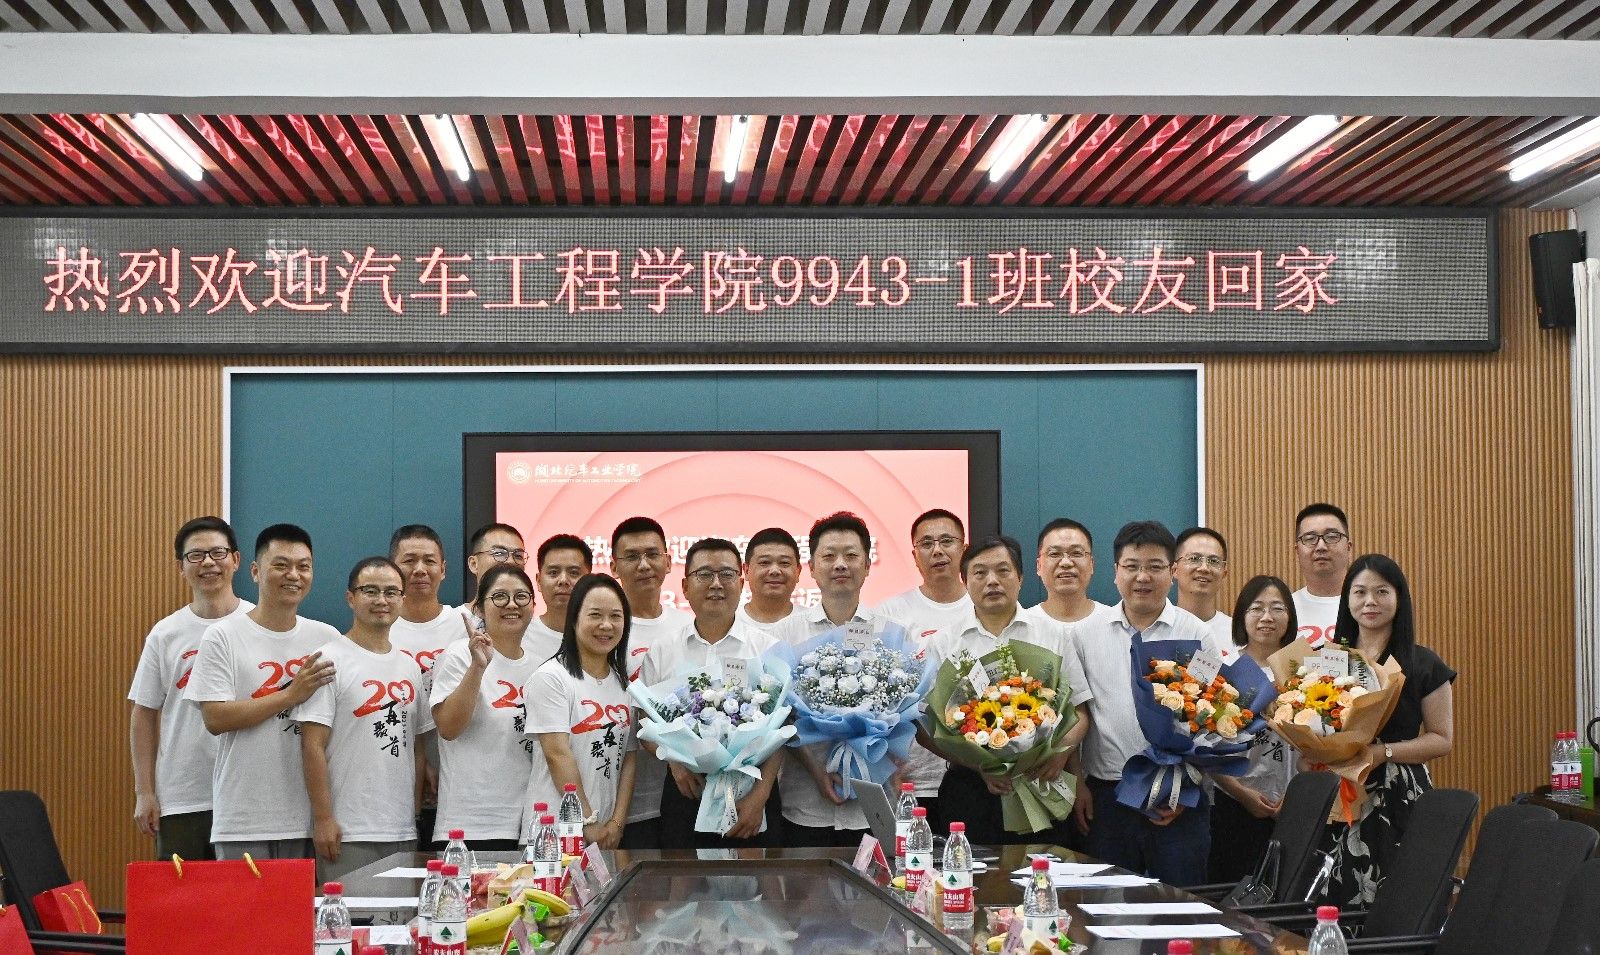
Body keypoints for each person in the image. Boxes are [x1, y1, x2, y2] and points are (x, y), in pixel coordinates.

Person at [1069, 520, 1214, 885]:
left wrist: (1186, 788)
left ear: (1173, 571)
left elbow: (1214, 717)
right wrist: (1078, 784)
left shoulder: (1197, 634)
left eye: (1154, 566)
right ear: (1115, 571)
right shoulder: (1084, 635)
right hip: (1108, 797)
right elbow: (1075, 714)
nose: (1142, 577)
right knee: (1104, 904)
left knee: (1182, 905)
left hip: (1180, 795)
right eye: (1132, 566)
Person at [921, 534, 1091, 845]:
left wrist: (1060, 755)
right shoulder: (944, 642)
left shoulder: (1052, 635)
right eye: (980, 573)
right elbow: (926, 728)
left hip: (1041, 781)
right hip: (971, 787)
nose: (992, 581)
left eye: (1003, 571)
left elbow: (1079, 712)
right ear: (965, 581)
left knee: (1042, 869)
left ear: (1021, 578)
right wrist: (979, 765)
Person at [184, 523, 339, 860]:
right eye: (281, 565)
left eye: (303, 566)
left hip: (307, 819)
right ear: (255, 571)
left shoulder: (328, 639)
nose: (293, 575)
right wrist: (290, 695)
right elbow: (215, 718)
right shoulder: (223, 636)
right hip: (243, 818)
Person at [1323, 554, 1455, 906]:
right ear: (1347, 599)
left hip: (1399, 792)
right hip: (1340, 790)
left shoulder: (1423, 662)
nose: (1370, 601)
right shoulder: (1328, 661)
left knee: (1399, 897)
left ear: (1399, 599)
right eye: (1360, 592)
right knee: (1334, 895)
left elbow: (1442, 739)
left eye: (1382, 592)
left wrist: (1382, 753)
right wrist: (1316, 753)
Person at [641, 538, 783, 849]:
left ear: (741, 583)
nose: (716, 584)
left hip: (752, 794)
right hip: (686, 788)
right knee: (681, 878)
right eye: (704, 574)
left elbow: (782, 730)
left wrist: (760, 796)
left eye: (727, 574)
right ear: (685, 586)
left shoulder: (766, 648)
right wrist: (674, 762)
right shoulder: (664, 650)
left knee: (757, 879)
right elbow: (645, 724)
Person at [128, 516, 254, 861]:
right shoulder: (165, 634)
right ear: (180, 567)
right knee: (183, 893)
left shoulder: (259, 625)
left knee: (244, 893)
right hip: (183, 797)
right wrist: (145, 792)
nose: (208, 563)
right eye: (196, 556)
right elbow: (144, 714)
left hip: (249, 796)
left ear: (236, 560)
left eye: (218, 553)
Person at [299, 558, 430, 881]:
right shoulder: (328, 659)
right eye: (370, 591)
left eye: (391, 592)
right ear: (351, 597)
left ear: (402, 599)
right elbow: (312, 745)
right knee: (348, 913)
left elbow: (416, 746)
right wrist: (323, 818)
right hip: (347, 831)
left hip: (400, 829)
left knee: (399, 914)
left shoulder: (409, 666)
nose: (381, 600)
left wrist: (413, 815)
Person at [770, 511, 886, 846]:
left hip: (872, 805)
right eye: (829, 556)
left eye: (851, 555)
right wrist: (816, 770)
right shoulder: (784, 635)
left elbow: (905, 716)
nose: (840, 565)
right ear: (811, 567)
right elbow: (779, 716)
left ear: (867, 565)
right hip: (804, 804)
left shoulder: (891, 633)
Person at [430, 564, 542, 850]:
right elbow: (448, 728)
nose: (512, 605)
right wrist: (478, 667)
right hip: (469, 827)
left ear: (533, 604)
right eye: (500, 596)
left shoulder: (541, 667)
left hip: (529, 824)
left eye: (521, 596)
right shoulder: (459, 656)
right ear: (479, 608)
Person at [873, 508, 973, 818]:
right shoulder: (889, 613)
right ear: (915, 556)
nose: (937, 550)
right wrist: (887, 766)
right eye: (926, 543)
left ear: (964, 549)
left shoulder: (983, 607)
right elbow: (877, 700)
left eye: (947, 541)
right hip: (909, 777)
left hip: (976, 775)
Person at [526, 574, 638, 851]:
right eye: (595, 615)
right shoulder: (551, 678)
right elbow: (557, 754)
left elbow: (629, 757)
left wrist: (616, 824)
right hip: (554, 832)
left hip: (606, 836)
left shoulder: (623, 685)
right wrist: (587, 821)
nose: (606, 625)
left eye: (616, 616)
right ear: (574, 619)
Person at [1207, 575, 1298, 884]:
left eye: (1277, 608)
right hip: (1232, 802)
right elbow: (1202, 746)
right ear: (1241, 616)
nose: (1267, 617)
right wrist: (1240, 792)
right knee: (1232, 891)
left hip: (1294, 804)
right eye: (1257, 608)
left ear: (1290, 616)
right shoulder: (1223, 671)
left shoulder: (1303, 669)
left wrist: (1294, 797)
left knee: (1286, 892)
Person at [609, 517, 693, 849]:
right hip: (618, 800)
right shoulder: (604, 629)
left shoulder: (689, 627)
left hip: (683, 792)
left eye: (652, 554)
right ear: (614, 566)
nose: (644, 565)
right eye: (631, 556)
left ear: (668, 562)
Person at [387, 524, 456, 844]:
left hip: (458, 784)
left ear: (443, 569)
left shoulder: (465, 626)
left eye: (429, 561)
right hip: (399, 783)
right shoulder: (379, 626)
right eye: (409, 560)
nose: (419, 569)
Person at [1027, 518, 1114, 627]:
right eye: (1054, 554)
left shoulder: (1114, 623)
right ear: (1039, 566)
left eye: (1076, 553)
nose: (1066, 562)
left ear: (1091, 564)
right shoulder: (1022, 627)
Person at [1292, 504, 1354, 647]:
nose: (1321, 546)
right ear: (1297, 551)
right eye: (1310, 538)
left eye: (1331, 537)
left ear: (1348, 547)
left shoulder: (1369, 607)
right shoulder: (1283, 609)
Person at [1173, 527, 1235, 661]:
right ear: (1174, 569)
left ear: (1224, 573)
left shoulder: (1237, 633)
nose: (1204, 568)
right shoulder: (1156, 627)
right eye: (1194, 558)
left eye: (1214, 561)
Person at [529, 534, 591, 661]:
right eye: (553, 572)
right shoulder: (521, 635)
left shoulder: (603, 634)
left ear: (589, 580)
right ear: (539, 581)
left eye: (574, 573)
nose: (563, 580)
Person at [737, 527, 801, 631]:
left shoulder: (815, 625)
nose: (774, 571)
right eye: (764, 562)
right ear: (746, 571)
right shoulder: (728, 623)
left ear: (798, 572)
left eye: (784, 563)